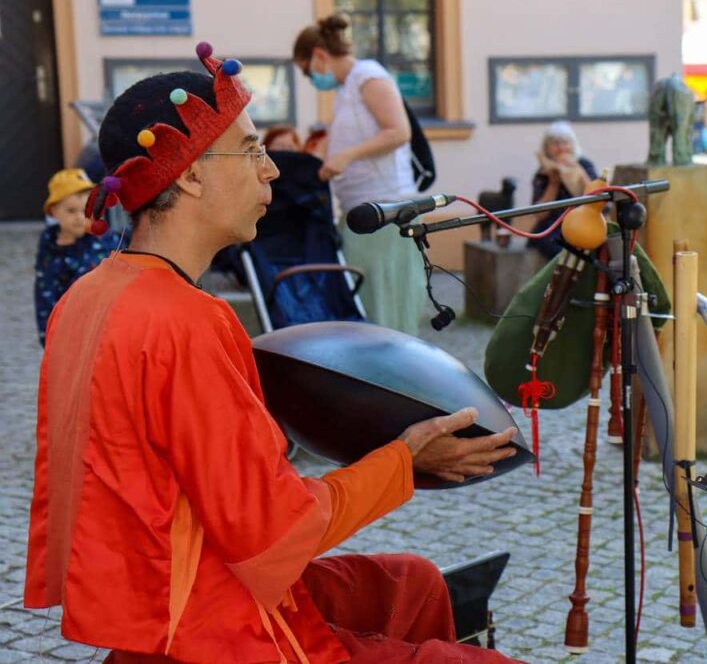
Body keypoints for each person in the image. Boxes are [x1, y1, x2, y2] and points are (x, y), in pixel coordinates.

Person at [24, 43, 521, 663]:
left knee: (411, 581)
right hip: (215, 628)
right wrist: (404, 459)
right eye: (253, 150)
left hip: (175, 589)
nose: (273, 171)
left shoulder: (86, 297)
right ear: (192, 173)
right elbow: (273, 535)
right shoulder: (187, 320)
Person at [292, 15, 426, 335]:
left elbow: (398, 132)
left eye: (308, 71)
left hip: (386, 208)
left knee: (386, 306)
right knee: (369, 303)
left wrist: (345, 156)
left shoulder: (369, 76)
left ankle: (395, 376)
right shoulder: (346, 90)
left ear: (320, 56)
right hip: (363, 211)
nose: (312, 79)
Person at [33, 168, 122, 346]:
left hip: (106, 326)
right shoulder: (50, 250)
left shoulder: (106, 238)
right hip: (70, 331)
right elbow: (44, 294)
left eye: (86, 211)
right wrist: (48, 336)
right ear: (53, 212)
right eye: (71, 211)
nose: (80, 218)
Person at [526, 120, 598, 259]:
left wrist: (578, 173)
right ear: (546, 148)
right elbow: (540, 214)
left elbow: (600, 199)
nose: (561, 148)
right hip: (553, 226)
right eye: (555, 143)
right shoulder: (543, 173)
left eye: (565, 142)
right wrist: (553, 183)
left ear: (573, 145)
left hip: (583, 223)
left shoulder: (584, 164)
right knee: (556, 248)